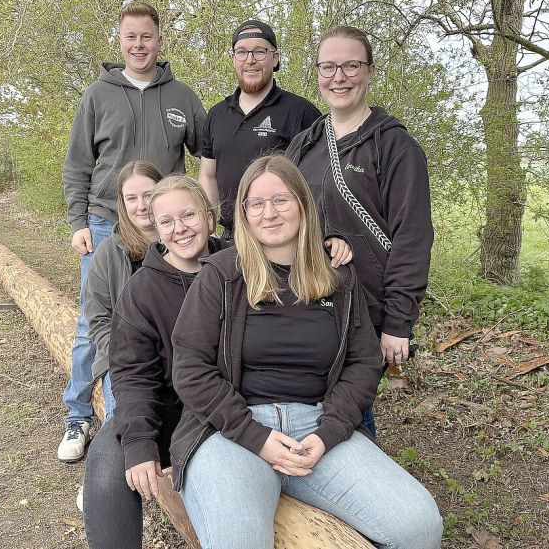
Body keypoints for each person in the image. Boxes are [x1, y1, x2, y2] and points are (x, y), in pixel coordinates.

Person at [169, 155, 443, 549]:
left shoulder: (338, 276)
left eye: (280, 200)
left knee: (419, 526)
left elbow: (363, 361)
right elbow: (191, 367)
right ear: (244, 213)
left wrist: (330, 431)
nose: (269, 213)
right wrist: (254, 435)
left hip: (316, 427)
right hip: (231, 430)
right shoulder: (222, 275)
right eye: (256, 204)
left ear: (302, 203)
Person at [58, 0, 206, 462]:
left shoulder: (182, 97)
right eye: (131, 37)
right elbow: (78, 164)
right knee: (96, 320)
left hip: (168, 226)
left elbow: (212, 153)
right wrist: (79, 221)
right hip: (107, 221)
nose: (139, 44)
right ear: (120, 42)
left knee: (166, 320)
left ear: (159, 41)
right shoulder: (97, 95)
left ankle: (170, 415)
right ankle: (80, 415)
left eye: (147, 36)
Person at [286, 26, 434, 436]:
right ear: (317, 73)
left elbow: (412, 237)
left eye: (351, 65)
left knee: (350, 408)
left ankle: (359, 483)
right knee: (313, 402)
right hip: (308, 299)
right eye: (329, 66)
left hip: (365, 309)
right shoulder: (304, 145)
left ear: (369, 71)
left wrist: (397, 322)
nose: (339, 76)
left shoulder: (395, 148)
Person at [82, 176, 228, 549]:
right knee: (108, 462)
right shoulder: (142, 290)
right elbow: (132, 375)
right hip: (170, 410)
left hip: (231, 411)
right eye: (167, 222)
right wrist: (139, 443)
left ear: (209, 217)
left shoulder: (239, 267)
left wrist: (331, 242)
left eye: (188, 215)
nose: (179, 229)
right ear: (156, 228)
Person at [73, 160, 162, 511]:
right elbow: (98, 319)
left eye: (149, 195)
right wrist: (126, 360)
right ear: (121, 205)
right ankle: (104, 483)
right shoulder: (109, 253)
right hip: (125, 357)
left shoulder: (185, 244)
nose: (141, 205)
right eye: (131, 198)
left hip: (178, 356)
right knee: (122, 412)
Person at [198, 19, 321, 239]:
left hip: (280, 237)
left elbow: (320, 182)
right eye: (242, 52)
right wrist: (207, 228)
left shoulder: (301, 113)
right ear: (233, 59)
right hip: (230, 240)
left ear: (275, 58)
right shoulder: (216, 114)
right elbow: (208, 176)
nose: (250, 60)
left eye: (259, 52)